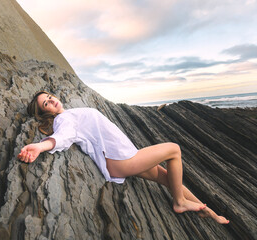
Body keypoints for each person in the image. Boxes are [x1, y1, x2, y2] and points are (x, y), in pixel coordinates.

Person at [18, 91, 229, 224]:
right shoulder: (63, 119)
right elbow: (62, 137)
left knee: (166, 177)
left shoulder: (70, 113)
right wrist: (39, 146)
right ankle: (180, 202)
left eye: (49, 97)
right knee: (174, 150)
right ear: (45, 112)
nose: (51, 100)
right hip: (120, 161)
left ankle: (207, 210)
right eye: (45, 103)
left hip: (126, 156)